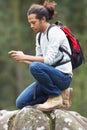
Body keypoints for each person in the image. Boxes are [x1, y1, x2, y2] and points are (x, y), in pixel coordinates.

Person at [8, 0, 73, 111]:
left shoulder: (54, 32)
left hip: (63, 77)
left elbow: (47, 60)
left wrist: (25, 57)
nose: (31, 26)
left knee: (35, 67)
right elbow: (39, 63)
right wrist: (23, 59)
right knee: (21, 103)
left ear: (43, 19)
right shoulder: (39, 36)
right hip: (50, 77)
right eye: (30, 23)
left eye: (33, 22)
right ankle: (61, 95)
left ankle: (55, 96)